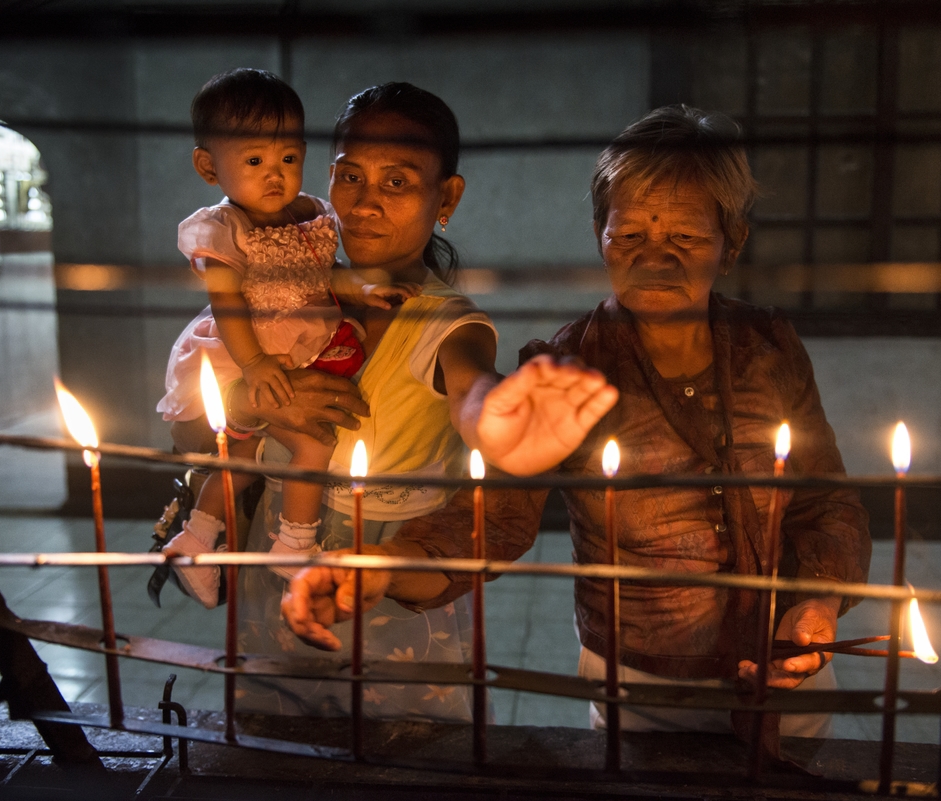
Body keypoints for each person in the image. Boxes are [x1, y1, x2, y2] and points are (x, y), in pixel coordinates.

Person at [281, 105, 872, 743]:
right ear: (599, 236)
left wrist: (818, 602)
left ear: (732, 243)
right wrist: (383, 565)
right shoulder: (568, 367)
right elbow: (491, 522)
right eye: (630, 238)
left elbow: (824, 501)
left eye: (686, 239)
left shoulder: (769, 346)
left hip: (788, 670)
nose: (656, 261)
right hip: (639, 685)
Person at [169, 82, 614, 720]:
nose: (366, 203)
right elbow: (192, 427)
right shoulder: (287, 295)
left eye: (398, 181)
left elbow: (470, 389)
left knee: (397, 754)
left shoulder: (447, 323)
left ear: (446, 198)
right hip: (272, 567)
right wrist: (252, 404)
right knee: (278, 748)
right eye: (349, 176)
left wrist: (501, 421)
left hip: (384, 585)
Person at [155, 69, 419, 607]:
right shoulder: (223, 228)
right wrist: (253, 365)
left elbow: (329, 273)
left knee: (245, 459)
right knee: (310, 442)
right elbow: (227, 303)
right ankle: (294, 545)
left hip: (299, 342)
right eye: (254, 162)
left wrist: (365, 287)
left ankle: (196, 538)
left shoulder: (313, 215)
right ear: (210, 166)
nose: (274, 176)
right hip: (249, 351)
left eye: (288, 160)